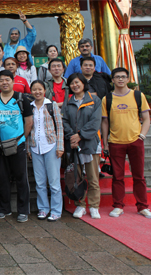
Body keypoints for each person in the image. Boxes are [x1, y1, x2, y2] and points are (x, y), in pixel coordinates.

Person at [101, 68, 151, 219]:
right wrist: (105, 143)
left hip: (135, 141)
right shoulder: (107, 99)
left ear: (127, 79)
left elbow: (146, 118)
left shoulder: (138, 95)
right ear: (112, 80)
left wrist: (142, 136)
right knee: (117, 177)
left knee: (139, 176)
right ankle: (118, 206)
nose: (120, 79)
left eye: (123, 77)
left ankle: (142, 207)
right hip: (115, 142)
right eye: (117, 77)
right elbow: (105, 122)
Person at [0, 70, 33, 222]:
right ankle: (5, 208)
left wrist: (22, 139)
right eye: (1, 80)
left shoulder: (21, 99)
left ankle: (23, 210)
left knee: (21, 177)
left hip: (18, 144)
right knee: (2, 178)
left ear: (13, 81)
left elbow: (29, 121)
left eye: (7, 80)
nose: (4, 83)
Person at [62, 73, 102, 219]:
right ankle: (80, 205)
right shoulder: (69, 102)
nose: (75, 85)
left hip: (90, 143)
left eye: (77, 82)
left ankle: (94, 205)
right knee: (77, 177)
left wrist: (80, 135)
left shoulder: (94, 100)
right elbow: (64, 121)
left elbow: (95, 122)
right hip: (74, 145)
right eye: (72, 83)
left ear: (84, 84)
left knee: (92, 177)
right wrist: (72, 136)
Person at [27, 80, 64, 222]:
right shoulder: (30, 107)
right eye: (34, 90)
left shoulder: (51, 105)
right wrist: (29, 148)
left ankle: (56, 210)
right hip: (36, 147)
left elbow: (59, 127)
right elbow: (29, 129)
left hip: (51, 145)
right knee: (40, 182)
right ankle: (43, 208)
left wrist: (60, 146)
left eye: (40, 89)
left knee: (54, 182)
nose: (37, 92)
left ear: (44, 90)